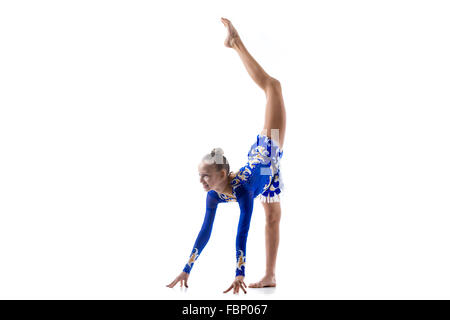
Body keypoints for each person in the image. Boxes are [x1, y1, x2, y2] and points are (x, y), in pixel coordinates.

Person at [167, 17, 286, 294]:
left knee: (274, 87)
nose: (202, 182)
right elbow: (205, 232)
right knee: (272, 217)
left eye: (206, 176)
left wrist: (239, 272)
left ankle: (235, 43)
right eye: (200, 176)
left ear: (222, 175)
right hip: (268, 177)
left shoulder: (242, 189)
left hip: (268, 153)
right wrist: (187, 267)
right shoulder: (214, 195)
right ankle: (270, 275)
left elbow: (242, 231)